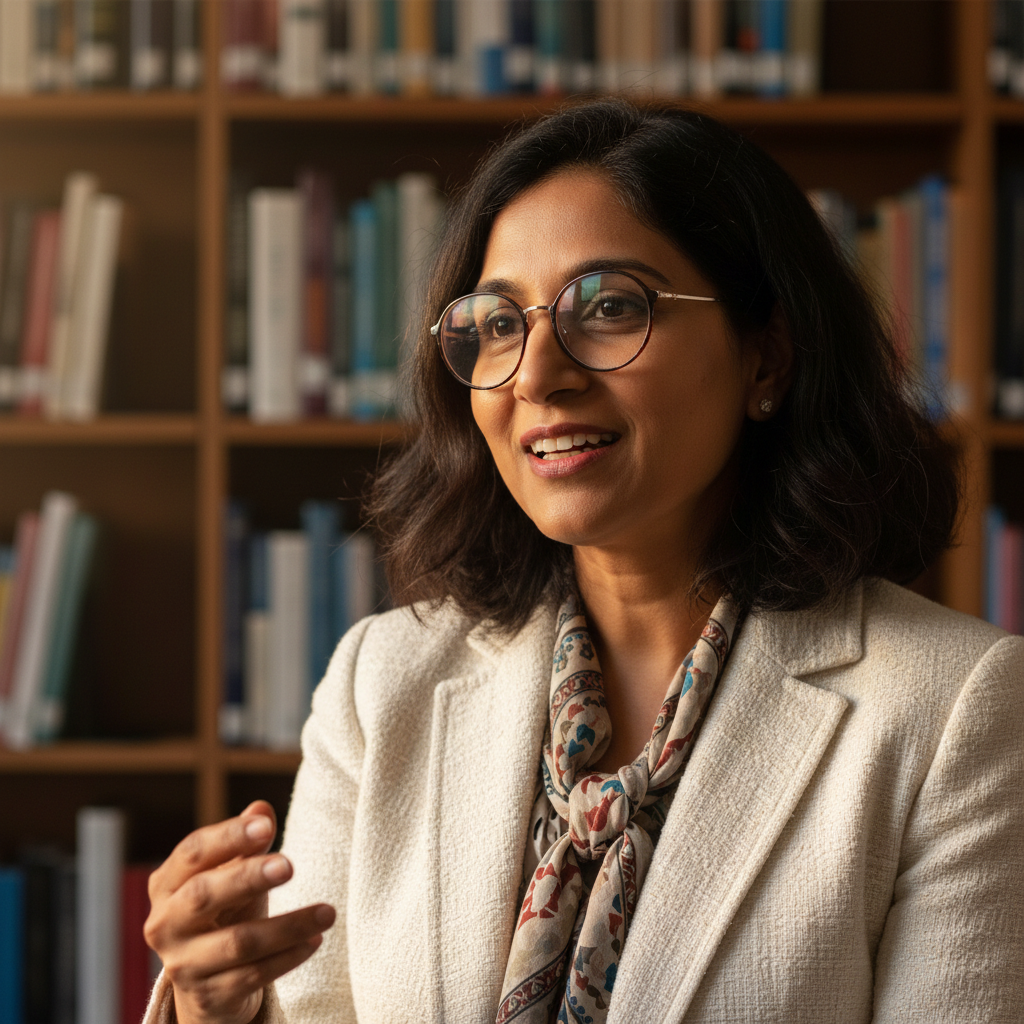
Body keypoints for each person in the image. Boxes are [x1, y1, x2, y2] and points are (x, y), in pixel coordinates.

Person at [142, 100, 1024, 1024]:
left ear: (766, 357)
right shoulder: (383, 681)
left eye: (609, 308)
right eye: (496, 324)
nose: (535, 375)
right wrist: (215, 1008)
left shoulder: (955, 710)